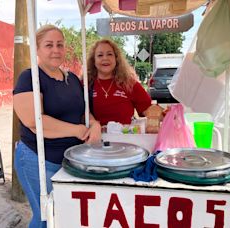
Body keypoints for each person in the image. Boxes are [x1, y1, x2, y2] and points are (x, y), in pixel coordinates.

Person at [13, 25, 101, 228]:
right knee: (46, 216)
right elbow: (33, 121)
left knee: (63, 217)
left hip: (69, 160)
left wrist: (95, 124)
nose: (56, 50)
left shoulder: (72, 80)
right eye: (49, 45)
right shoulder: (30, 78)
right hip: (38, 160)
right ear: (37, 49)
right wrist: (75, 130)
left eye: (60, 45)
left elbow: (82, 111)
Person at [87, 38, 152, 126]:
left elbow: (149, 110)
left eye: (109, 54)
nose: (105, 58)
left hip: (124, 138)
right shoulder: (84, 85)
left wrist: (170, 114)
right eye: (100, 55)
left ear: (116, 59)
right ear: (93, 61)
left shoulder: (129, 84)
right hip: (95, 139)